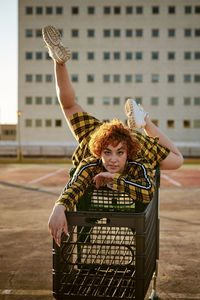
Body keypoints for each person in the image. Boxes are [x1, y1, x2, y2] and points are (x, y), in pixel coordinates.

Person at [42, 25, 183, 246]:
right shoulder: (92, 161)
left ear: (127, 154)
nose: (113, 160)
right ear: (99, 153)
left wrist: (115, 179)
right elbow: (76, 184)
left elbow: (147, 191)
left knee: (178, 160)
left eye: (119, 154)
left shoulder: (139, 158)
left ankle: (144, 121)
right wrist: (59, 206)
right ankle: (58, 60)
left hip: (135, 140)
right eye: (107, 154)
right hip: (96, 135)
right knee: (68, 106)